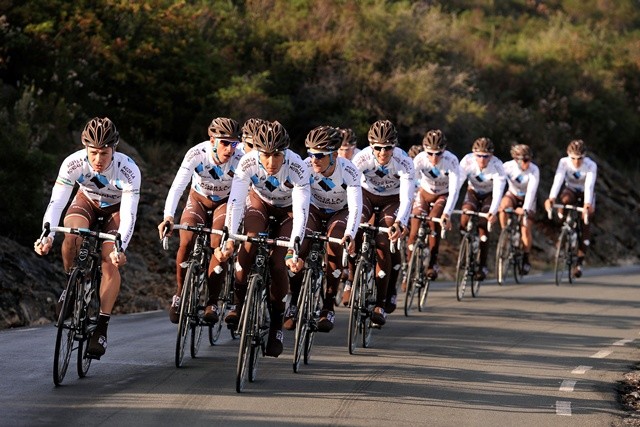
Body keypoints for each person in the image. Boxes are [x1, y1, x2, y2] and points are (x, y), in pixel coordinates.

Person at [34, 117, 141, 358]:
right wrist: (47, 235)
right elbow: (57, 202)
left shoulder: (128, 170)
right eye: (93, 153)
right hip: (87, 202)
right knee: (71, 234)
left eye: (104, 153)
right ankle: (71, 284)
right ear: (85, 149)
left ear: (114, 148)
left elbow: (129, 213)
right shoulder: (73, 163)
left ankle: (101, 326)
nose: (98, 159)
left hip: (116, 210)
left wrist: (119, 247)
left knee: (108, 261)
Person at [220, 120, 311, 357]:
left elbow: (302, 211)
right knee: (248, 243)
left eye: (277, 156)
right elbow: (236, 201)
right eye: (266, 155)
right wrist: (229, 237)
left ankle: (276, 325)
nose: (271, 163)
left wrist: (294, 247)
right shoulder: (248, 162)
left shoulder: (299, 167)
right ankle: (240, 307)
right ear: (258, 152)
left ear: (286, 153)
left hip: (289, 212)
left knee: (278, 264)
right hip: (260, 204)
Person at [158, 117, 243, 324]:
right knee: (186, 240)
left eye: (234, 143)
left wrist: (229, 233)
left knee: (218, 246)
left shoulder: (241, 158)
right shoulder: (197, 154)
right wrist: (168, 216)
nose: (230, 149)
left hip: (225, 203)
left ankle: (212, 301)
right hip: (198, 199)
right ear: (212, 140)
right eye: (225, 143)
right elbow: (178, 186)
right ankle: (179, 294)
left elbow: (237, 198)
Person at [284, 126, 362, 333]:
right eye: (310, 154)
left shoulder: (350, 171)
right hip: (314, 210)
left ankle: (328, 307)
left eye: (320, 155)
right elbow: (298, 205)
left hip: (340, 212)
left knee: (334, 247)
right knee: (300, 250)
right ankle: (293, 304)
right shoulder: (305, 167)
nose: (314, 159)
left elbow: (356, 207)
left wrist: (350, 234)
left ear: (334, 155)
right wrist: (295, 241)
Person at [347, 119, 415, 326]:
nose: (383, 153)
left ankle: (380, 303)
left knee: (384, 242)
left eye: (388, 148)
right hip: (366, 195)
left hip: (392, 200)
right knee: (355, 228)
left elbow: (407, 199)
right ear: (371, 146)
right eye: (378, 148)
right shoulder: (361, 158)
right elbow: (352, 193)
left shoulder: (404, 162)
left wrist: (400, 222)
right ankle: (351, 279)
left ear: (394, 147)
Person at [409, 129, 460, 280]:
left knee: (434, 219)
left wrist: (448, 213)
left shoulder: (451, 161)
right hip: (424, 193)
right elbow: (410, 184)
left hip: (442, 195)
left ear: (444, 151)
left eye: (438, 153)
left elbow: (455, 190)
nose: (434, 157)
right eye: (430, 153)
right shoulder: (419, 159)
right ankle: (409, 270)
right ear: (424, 150)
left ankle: (432, 263)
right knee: (415, 224)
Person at [544, 139, 597, 278]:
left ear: (584, 157)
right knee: (565, 200)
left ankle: (579, 263)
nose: (576, 162)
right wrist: (552, 197)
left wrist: (587, 204)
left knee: (586, 223)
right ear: (569, 155)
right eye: (573, 158)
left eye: (579, 158)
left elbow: (589, 185)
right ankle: (564, 227)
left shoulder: (590, 165)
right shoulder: (564, 162)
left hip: (586, 193)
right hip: (571, 190)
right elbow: (558, 180)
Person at [457, 137, 506, 281]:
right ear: (473, 154)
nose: (482, 159)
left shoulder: (498, 165)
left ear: (491, 156)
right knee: (464, 217)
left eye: (486, 156)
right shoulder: (467, 161)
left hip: (489, 195)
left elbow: (498, 191)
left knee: (484, 224)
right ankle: (464, 251)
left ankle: (482, 265)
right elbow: (457, 184)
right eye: (478, 155)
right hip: (472, 192)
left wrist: (493, 211)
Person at [498, 144, 539, 274]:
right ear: (517, 160)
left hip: (528, 198)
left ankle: (526, 258)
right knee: (503, 206)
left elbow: (532, 191)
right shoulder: (507, 167)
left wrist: (525, 209)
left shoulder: (534, 170)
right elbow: (499, 185)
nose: (528, 163)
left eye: (529, 159)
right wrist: (497, 203)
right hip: (513, 194)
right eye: (525, 160)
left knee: (525, 229)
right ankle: (505, 233)